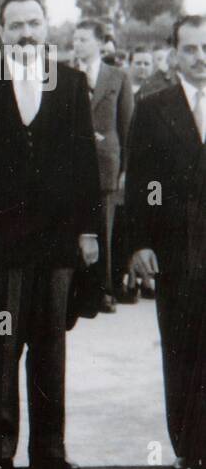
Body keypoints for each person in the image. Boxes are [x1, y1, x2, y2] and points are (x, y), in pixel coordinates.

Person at [0, 0, 102, 469]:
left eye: (34, 23)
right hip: (1, 241)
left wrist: (88, 231)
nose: (26, 33)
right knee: (5, 343)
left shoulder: (72, 82)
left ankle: (50, 450)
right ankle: (2, 449)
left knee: (51, 345)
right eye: (16, 25)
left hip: (57, 242)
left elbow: (85, 164)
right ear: (0, 32)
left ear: (46, 25)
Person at [126, 14, 206, 469]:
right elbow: (142, 183)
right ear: (174, 54)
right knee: (180, 346)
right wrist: (139, 242)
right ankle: (189, 447)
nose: (200, 58)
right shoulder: (154, 107)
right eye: (191, 49)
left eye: (205, 48)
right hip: (175, 249)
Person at [72, 20, 133, 312]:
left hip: (105, 161)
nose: (77, 44)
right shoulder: (64, 75)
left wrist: (125, 169)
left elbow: (126, 126)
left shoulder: (118, 76)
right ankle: (77, 291)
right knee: (74, 227)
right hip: (71, 164)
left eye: (83, 39)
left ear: (98, 42)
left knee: (103, 229)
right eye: (75, 39)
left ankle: (104, 290)